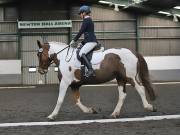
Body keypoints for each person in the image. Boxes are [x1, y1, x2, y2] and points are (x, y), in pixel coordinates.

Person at [70, 5, 97, 77]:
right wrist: (81, 43)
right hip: (90, 41)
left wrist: (74, 40)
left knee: (81, 53)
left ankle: (90, 70)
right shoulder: (89, 20)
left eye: (80, 14)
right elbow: (88, 34)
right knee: (80, 50)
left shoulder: (86, 20)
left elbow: (81, 32)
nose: (80, 15)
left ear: (84, 13)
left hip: (91, 41)